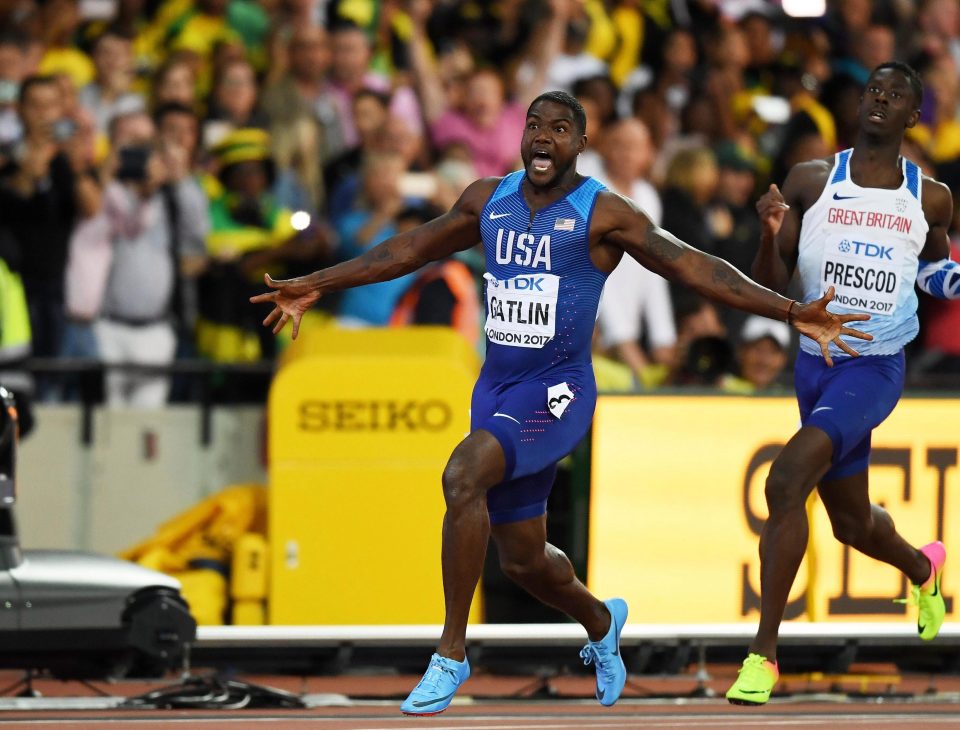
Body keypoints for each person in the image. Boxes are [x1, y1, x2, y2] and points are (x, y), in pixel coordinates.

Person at [252, 90, 868, 716]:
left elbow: (693, 268)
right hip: (495, 388)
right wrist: (318, 283)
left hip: (557, 390)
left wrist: (791, 310)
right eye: (534, 126)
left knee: (462, 475)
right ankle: (601, 622)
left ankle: (450, 654)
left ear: (579, 143)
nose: (543, 137)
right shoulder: (487, 199)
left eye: (560, 129)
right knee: (523, 561)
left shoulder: (603, 213)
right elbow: (407, 249)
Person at [725, 62, 960, 706]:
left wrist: (959, 280)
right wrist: (771, 235)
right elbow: (771, 285)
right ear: (860, 104)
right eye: (873, 91)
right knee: (852, 523)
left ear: (915, 118)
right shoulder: (810, 180)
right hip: (812, 361)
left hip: (873, 366)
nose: (880, 100)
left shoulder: (930, 196)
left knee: (784, 479)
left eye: (896, 96)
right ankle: (924, 567)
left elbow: (933, 273)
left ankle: (763, 656)